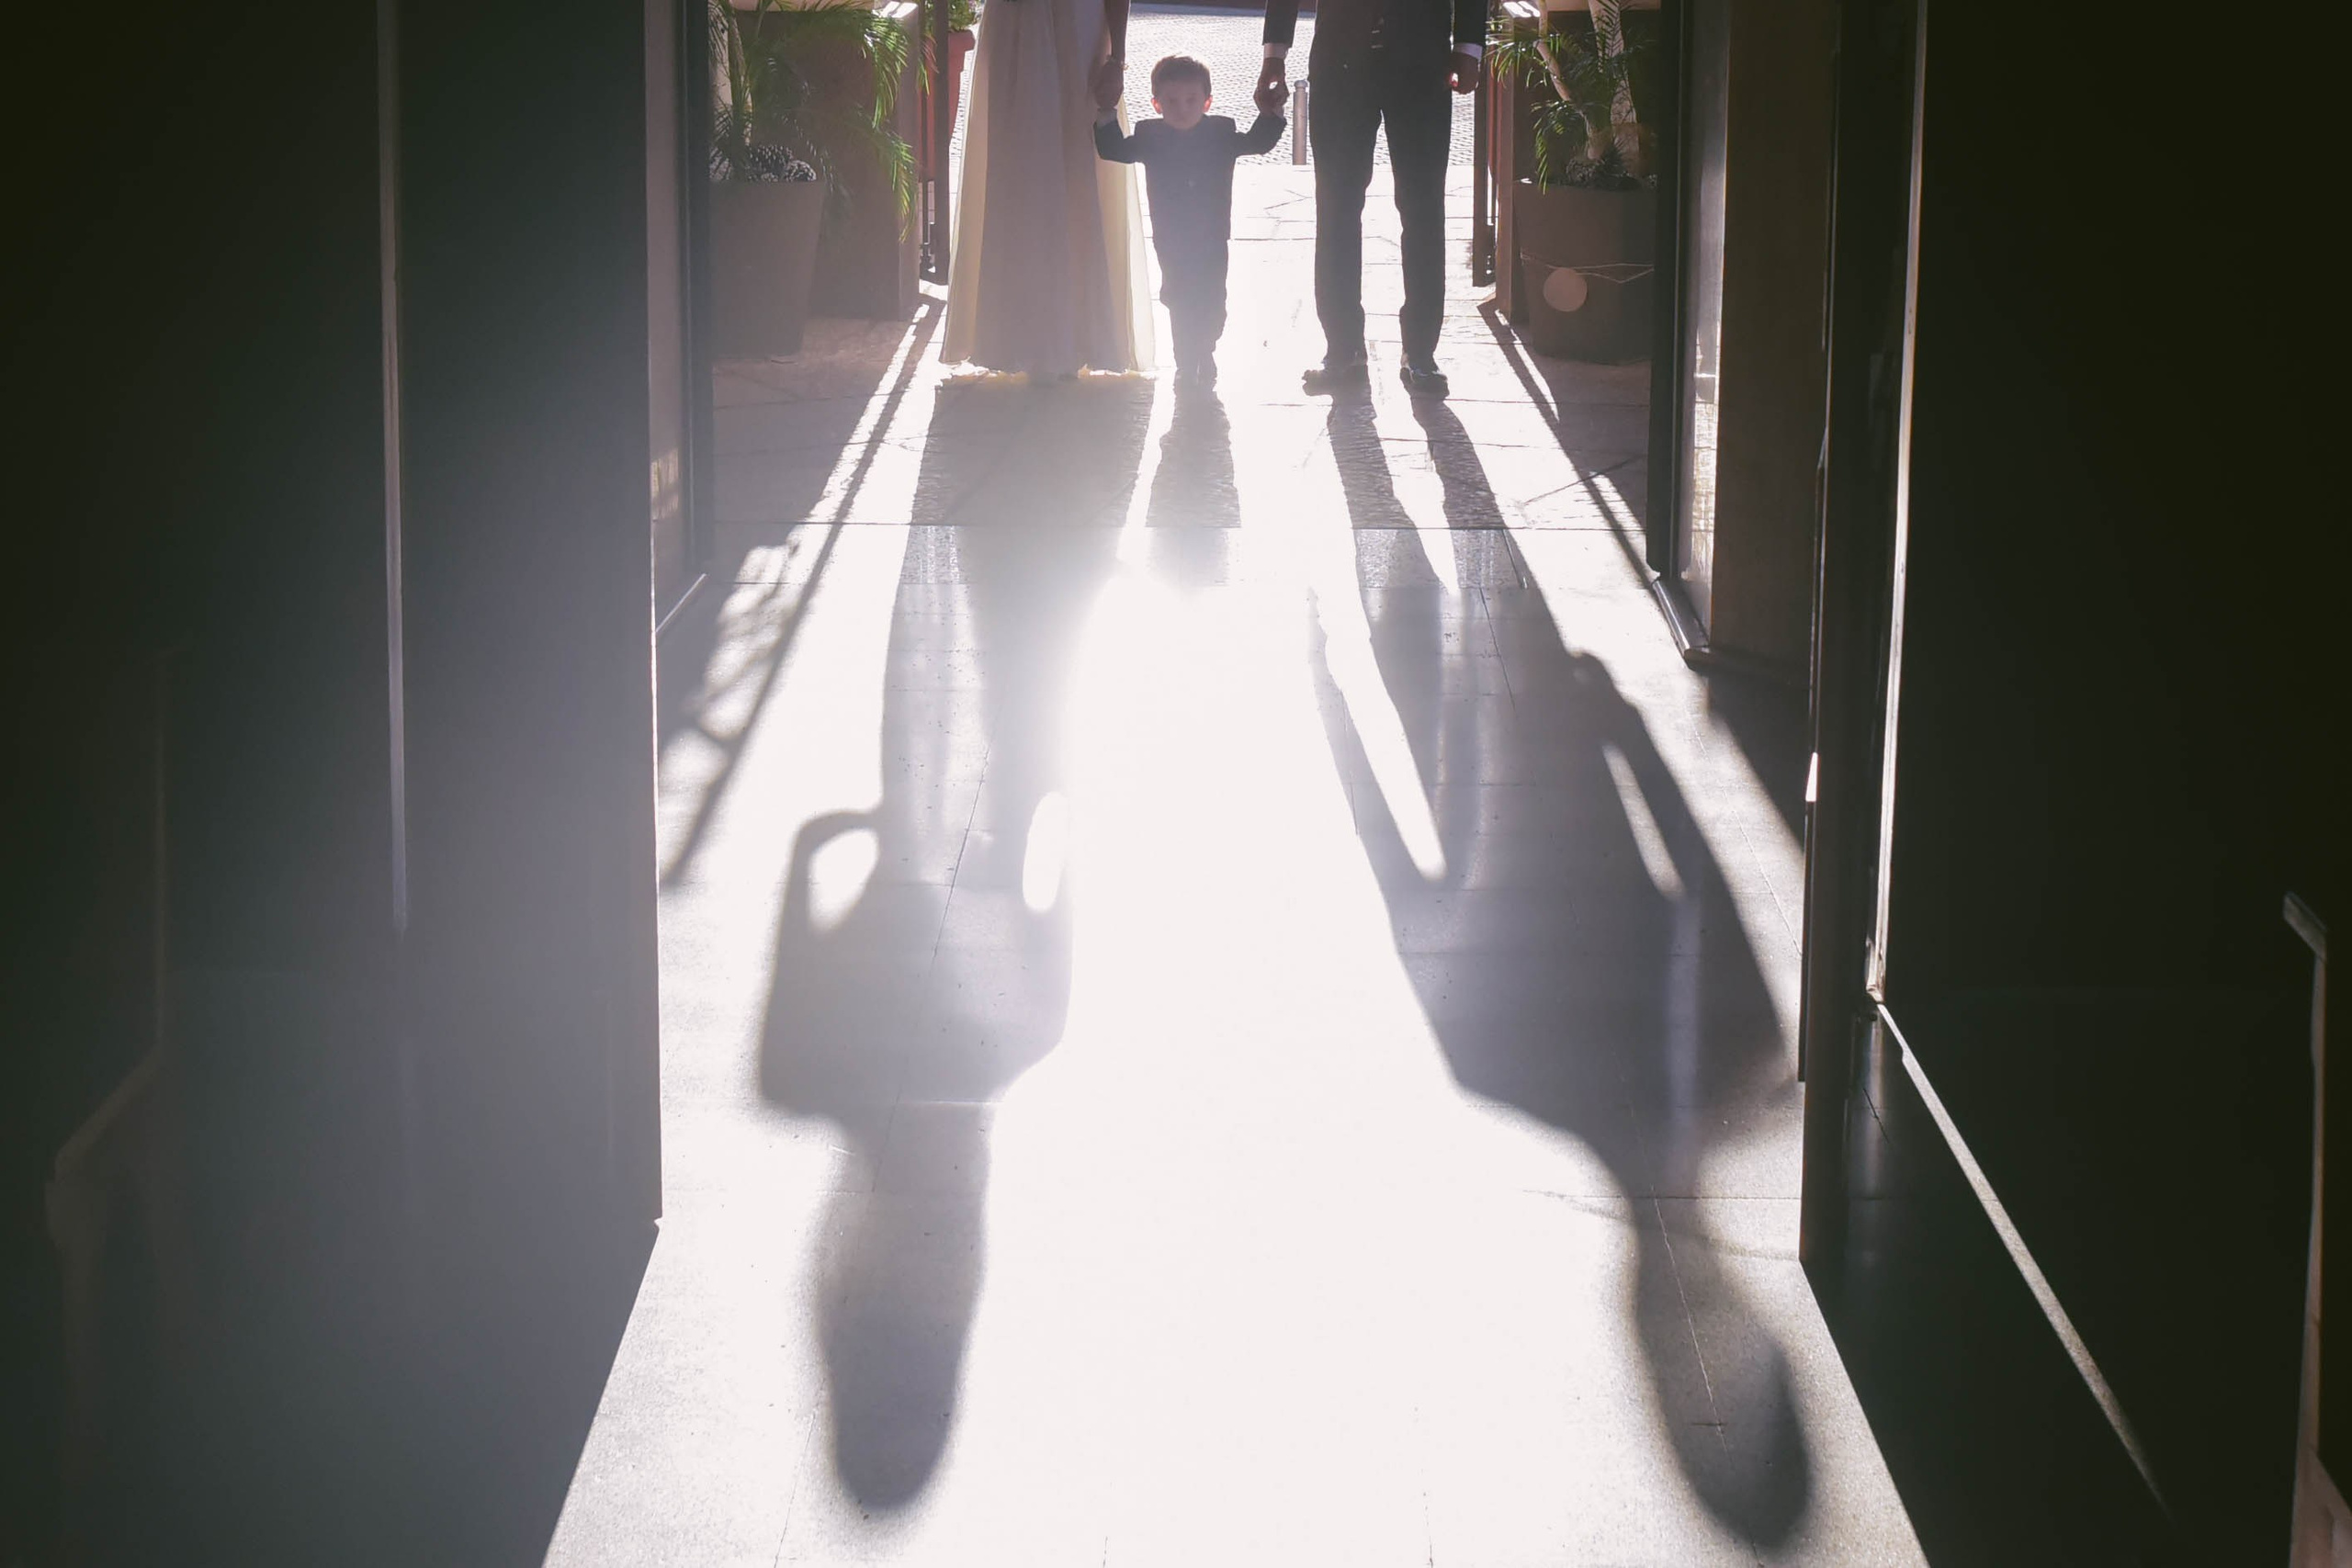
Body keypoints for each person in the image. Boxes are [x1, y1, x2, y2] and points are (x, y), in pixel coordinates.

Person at [1257, 0, 1482, 396]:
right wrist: (1275, 54)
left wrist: (1468, 46)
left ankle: (1421, 353)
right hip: (1339, 64)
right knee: (1336, 207)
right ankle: (1343, 350)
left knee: (1424, 207)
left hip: (1422, 63)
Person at [943, 0, 1155, 377]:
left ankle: (1080, 336)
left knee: (1080, 170)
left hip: (1080, 33)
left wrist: (1117, 59)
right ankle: (1022, 337)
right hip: (1016, 30)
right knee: (1020, 172)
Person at [1092, 56, 1286, 387]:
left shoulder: (1220, 133)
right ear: (1156, 104)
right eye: (1171, 101)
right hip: (1171, 236)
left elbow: (1258, 143)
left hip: (1211, 236)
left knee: (1213, 299)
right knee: (1178, 296)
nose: (1182, 109)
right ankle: (1187, 357)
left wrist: (1271, 112)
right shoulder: (1151, 136)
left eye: (1191, 100)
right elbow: (1115, 151)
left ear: (1207, 102)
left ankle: (1205, 345)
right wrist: (1106, 110)